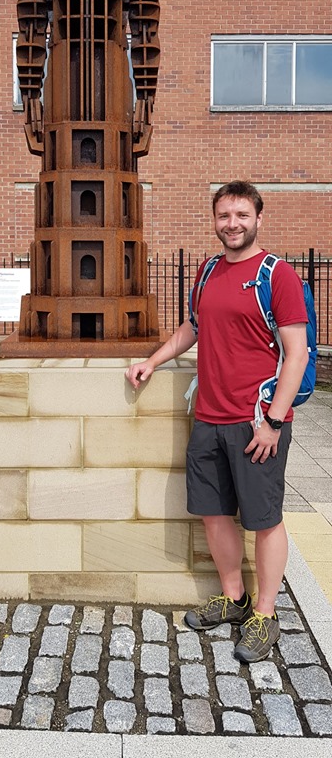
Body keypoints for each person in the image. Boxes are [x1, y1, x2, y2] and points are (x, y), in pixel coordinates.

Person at [125, 180, 309, 663]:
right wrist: (154, 360)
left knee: (265, 520)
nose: (233, 224)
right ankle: (234, 598)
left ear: (258, 219)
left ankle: (265, 615)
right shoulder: (207, 271)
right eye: (225, 216)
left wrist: (272, 422)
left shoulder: (278, 276)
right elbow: (194, 327)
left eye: (242, 216)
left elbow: (296, 354)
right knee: (213, 512)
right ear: (215, 220)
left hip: (256, 423)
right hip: (207, 415)